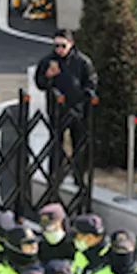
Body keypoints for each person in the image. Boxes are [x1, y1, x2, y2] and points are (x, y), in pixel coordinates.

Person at [33, 29, 97, 183]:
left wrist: (85, 96)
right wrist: (47, 76)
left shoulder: (82, 62)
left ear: (71, 44)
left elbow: (91, 82)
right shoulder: (48, 61)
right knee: (56, 144)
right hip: (56, 110)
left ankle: (78, 176)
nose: (59, 50)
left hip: (77, 109)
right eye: (56, 46)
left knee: (79, 144)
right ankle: (55, 175)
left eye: (62, 45)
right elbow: (40, 83)